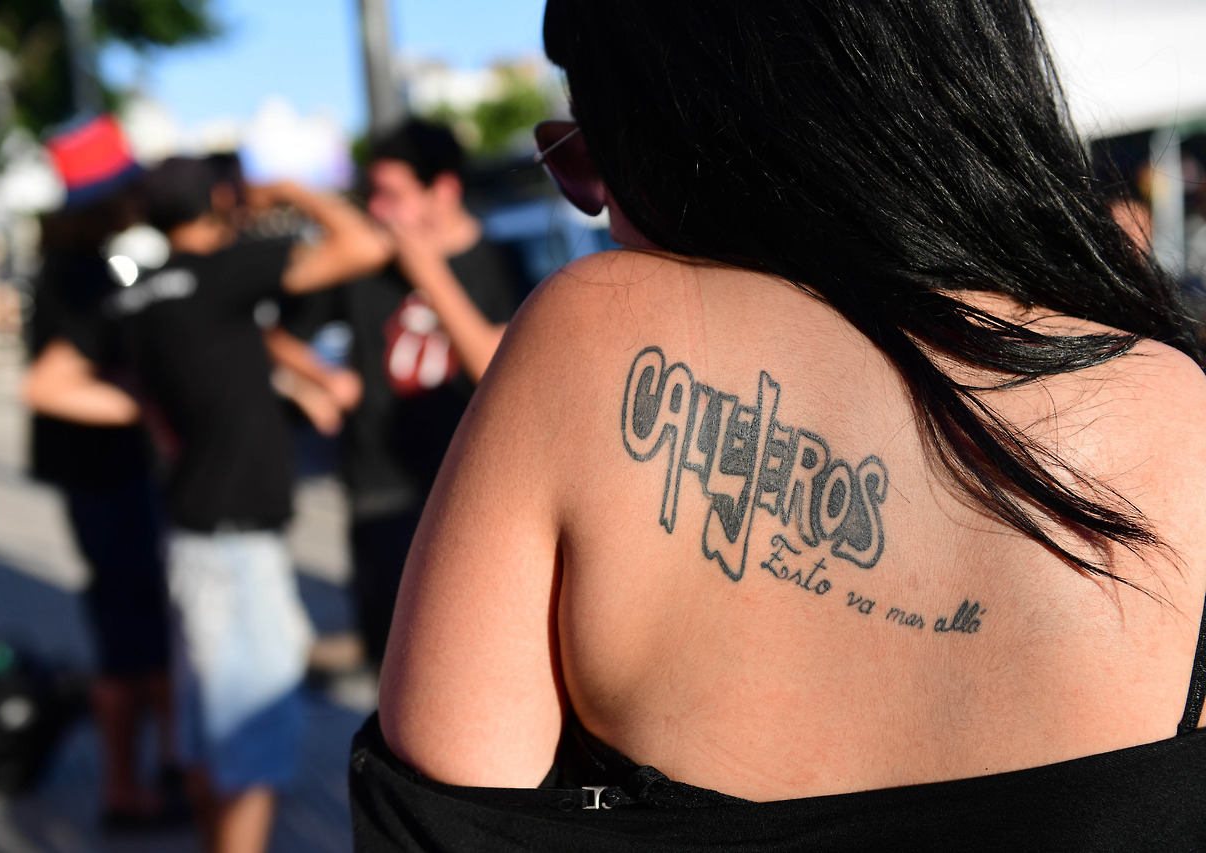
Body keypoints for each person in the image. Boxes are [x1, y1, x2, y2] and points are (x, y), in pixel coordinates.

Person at [350, 0, 1206, 848]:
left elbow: (437, 815)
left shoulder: (599, 333)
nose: (596, 206)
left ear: (678, 131)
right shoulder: (1182, 407)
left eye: (585, 153)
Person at [105, 157, 390, 853]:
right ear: (219, 203)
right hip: (237, 545)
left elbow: (204, 372)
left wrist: (303, 382)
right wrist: (292, 191)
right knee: (253, 746)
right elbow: (365, 245)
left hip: (190, 528)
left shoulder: (139, 298)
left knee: (208, 742)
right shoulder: (225, 274)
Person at [285, 118, 520, 669]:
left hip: (471, 490)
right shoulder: (366, 266)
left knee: (472, 661)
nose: (379, 211)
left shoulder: (498, 261)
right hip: (379, 488)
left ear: (444, 190)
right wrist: (318, 380)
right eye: (373, 195)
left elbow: (493, 363)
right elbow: (277, 329)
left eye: (393, 195)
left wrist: (428, 272)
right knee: (394, 664)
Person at [21, 116, 180, 830]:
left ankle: (151, 773)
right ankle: (124, 789)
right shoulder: (79, 276)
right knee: (127, 637)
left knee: (136, 630)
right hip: (102, 476)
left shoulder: (79, 266)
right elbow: (48, 384)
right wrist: (144, 408)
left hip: (102, 474)